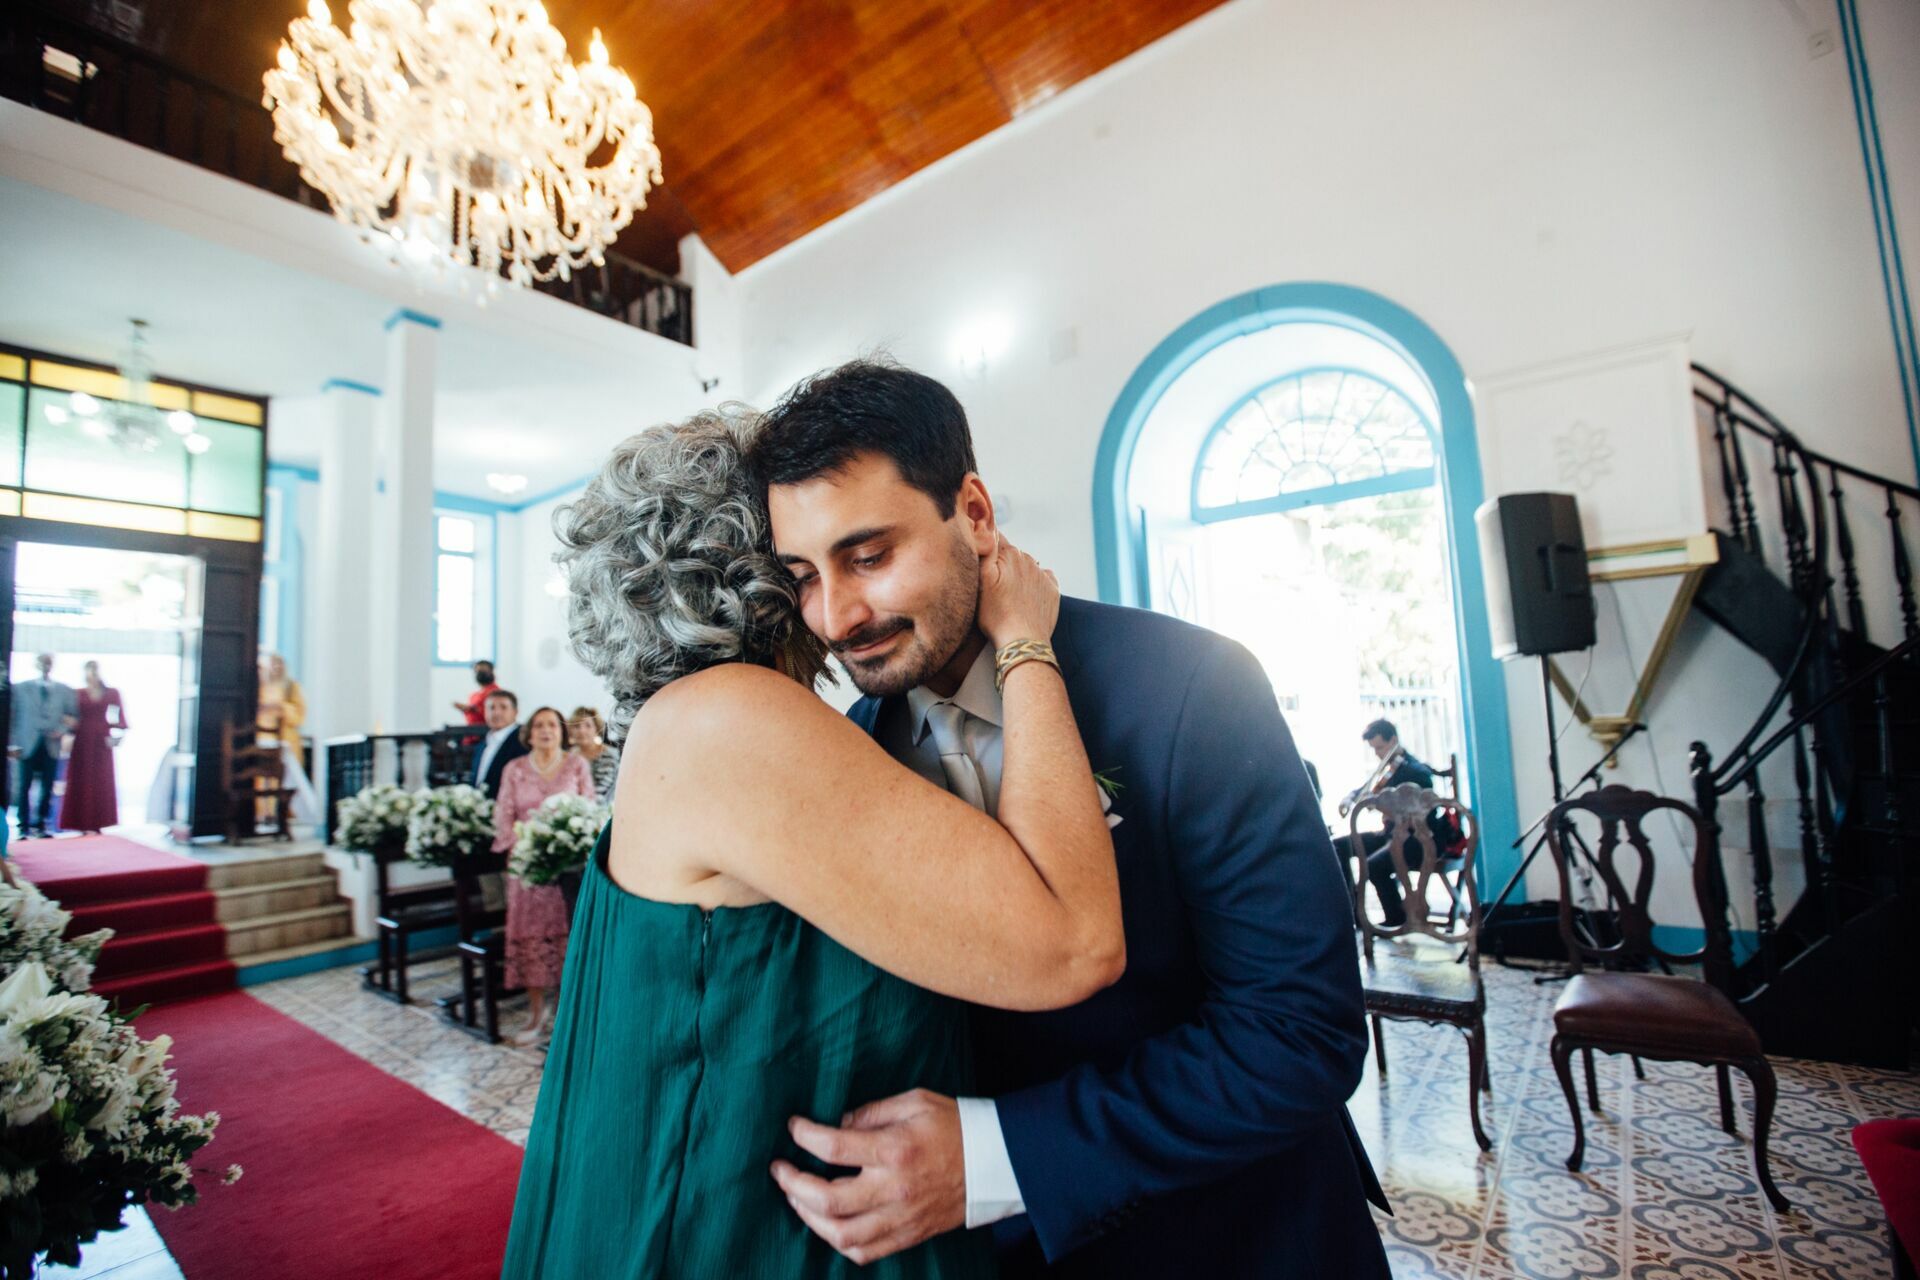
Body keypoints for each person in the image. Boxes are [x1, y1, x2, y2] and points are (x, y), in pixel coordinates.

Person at [748, 360, 1388, 1278]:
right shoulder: (851, 749)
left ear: (972, 511)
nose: (837, 615)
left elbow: (1299, 1033)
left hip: (1242, 1233)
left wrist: (995, 1155)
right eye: (803, 576)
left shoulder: (1188, 686)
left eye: (870, 555)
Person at [502, 409, 1121, 1279]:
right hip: (728, 1229)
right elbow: (1069, 944)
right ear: (759, 569)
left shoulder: (695, 726)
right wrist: (1023, 639)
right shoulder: (730, 722)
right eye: (803, 552)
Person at [493, 707, 594, 1050]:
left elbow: (589, 810)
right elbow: (503, 815)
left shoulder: (576, 765)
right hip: (528, 872)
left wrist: (570, 849)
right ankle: (536, 1014)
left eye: (552, 724)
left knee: (568, 939)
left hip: (567, 873)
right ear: (529, 733)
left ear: (561, 731)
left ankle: (566, 1018)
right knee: (530, 939)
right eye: (539, 725)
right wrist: (527, 848)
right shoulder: (515, 769)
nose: (545, 730)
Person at [1345, 718, 1444, 929]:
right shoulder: (1387, 770)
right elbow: (1365, 788)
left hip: (1416, 838)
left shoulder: (1414, 770)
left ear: (1394, 741)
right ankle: (1352, 914)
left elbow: (1422, 806)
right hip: (1391, 833)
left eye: (1380, 747)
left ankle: (1396, 916)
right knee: (1339, 847)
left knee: (1373, 865)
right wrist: (1351, 797)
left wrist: (1384, 804)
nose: (1378, 754)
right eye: (1374, 749)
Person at [9, 654, 77, 838]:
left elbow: (72, 717)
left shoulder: (64, 690)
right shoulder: (21, 688)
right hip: (26, 743)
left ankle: (42, 824)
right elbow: (12, 717)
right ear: (36, 664)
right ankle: (23, 825)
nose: (45, 666)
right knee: (24, 785)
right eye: (42, 662)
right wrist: (12, 744)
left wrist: (61, 730)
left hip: (51, 744)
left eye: (48, 663)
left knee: (48, 786)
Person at [58, 661, 126, 834]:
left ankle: (100, 821)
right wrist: (68, 726)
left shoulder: (112, 693)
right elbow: (66, 714)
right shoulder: (77, 693)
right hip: (82, 740)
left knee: (101, 779)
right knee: (81, 779)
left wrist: (116, 735)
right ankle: (80, 822)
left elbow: (120, 719)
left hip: (101, 741)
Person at [471, 689, 527, 801]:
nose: (496, 713)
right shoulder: (482, 745)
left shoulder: (523, 742)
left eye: (503, 707)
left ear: (515, 712)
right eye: (491, 708)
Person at [566, 706, 619, 803]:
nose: (582, 731)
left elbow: (603, 793)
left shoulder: (610, 755)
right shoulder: (567, 757)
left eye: (588, 725)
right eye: (577, 726)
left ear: (596, 729)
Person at [256, 653, 306, 751]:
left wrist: (282, 707)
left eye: (279, 663)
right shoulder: (259, 686)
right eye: (273, 664)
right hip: (261, 737)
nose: (276, 667)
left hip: (284, 738)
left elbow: (299, 717)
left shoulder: (292, 686)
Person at [454, 660, 501, 726]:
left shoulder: (497, 693)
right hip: (472, 731)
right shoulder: (474, 695)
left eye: (483, 671)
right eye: (477, 671)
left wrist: (470, 709)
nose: (480, 674)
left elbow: (496, 713)